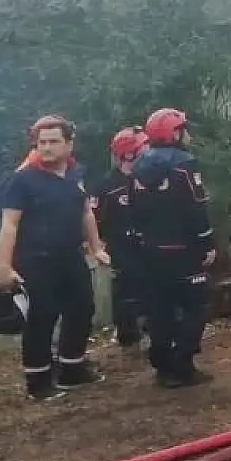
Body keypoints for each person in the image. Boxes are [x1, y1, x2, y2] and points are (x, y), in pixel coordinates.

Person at [0, 115, 112, 400]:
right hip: (36, 260)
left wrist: (96, 247)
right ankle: (38, 381)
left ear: (69, 144)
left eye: (53, 141)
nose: (46, 148)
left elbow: (86, 212)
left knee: (82, 308)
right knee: (41, 317)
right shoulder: (23, 179)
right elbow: (9, 224)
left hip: (70, 255)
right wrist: (4, 267)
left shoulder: (75, 173)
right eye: (42, 142)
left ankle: (72, 368)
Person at [130, 107, 217, 388]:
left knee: (160, 308)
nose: (188, 135)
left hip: (150, 250)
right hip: (183, 249)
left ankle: (163, 365)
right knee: (197, 306)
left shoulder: (139, 166)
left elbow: (134, 209)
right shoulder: (184, 164)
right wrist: (207, 242)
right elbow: (195, 207)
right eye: (184, 129)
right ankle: (182, 364)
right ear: (174, 134)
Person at [93, 127, 149, 350]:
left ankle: (153, 330)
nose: (149, 150)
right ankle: (128, 335)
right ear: (128, 154)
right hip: (122, 249)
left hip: (150, 245)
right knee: (126, 291)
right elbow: (93, 218)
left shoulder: (150, 177)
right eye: (143, 147)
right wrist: (98, 245)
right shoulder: (107, 185)